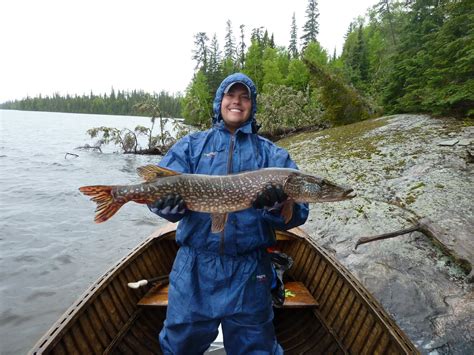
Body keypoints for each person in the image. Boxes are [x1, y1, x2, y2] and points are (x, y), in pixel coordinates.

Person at [149, 73, 309, 355]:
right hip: (195, 268)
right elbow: (156, 193)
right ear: (219, 102)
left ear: (252, 105)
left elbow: (298, 215)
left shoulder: (272, 156)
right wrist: (165, 206)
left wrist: (278, 208)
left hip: (251, 270)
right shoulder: (191, 147)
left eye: (244, 96)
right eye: (230, 95)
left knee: (256, 349)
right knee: (180, 346)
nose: (237, 101)